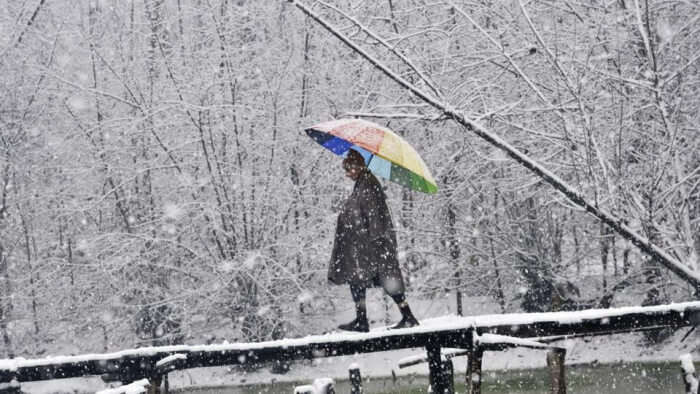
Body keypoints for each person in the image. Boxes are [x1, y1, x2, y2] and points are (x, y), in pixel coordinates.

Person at [328, 149, 419, 332]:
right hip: (365, 246)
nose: (347, 175)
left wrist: (375, 240)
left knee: (384, 280)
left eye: (349, 170)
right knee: (360, 280)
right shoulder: (363, 183)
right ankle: (365, 320)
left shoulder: (368, 184)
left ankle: (405, 317)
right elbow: (360, 211)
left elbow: (373, 215)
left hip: (372, 246)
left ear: (358, 167)